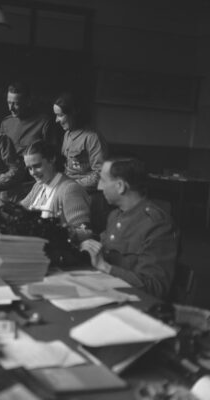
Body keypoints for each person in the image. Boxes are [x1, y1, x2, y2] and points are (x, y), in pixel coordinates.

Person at [80, 157, 178, 299]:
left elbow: (155, 288)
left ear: (120, 186)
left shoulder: (158, 225)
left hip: (137, 307)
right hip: (109, 294)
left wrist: (106, 267)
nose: (99, 187)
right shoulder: (115, 215)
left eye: (103, 180)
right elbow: (103, 249)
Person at [20, 140, 91, 240]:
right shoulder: (38, 186)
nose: (33, 173)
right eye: (29, 168)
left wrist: (54, 232)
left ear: (52, 159)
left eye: (37, 166)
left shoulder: (69, 189)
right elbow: (19, 209)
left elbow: (85, 232)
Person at [53, 92, 107, 194]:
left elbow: (100, 174)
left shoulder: (92, 137)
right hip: (66, 188)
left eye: (60, 115)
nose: (56, 120)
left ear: (74, 113)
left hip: (85, 192)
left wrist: (70, 185)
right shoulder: (67, 134)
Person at [0, 81, 59, 156]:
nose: (11, 108)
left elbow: (52, 155)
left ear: (28, 102)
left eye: (16, 104)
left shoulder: (44, 123)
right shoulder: (6, 123)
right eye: (9, 103)